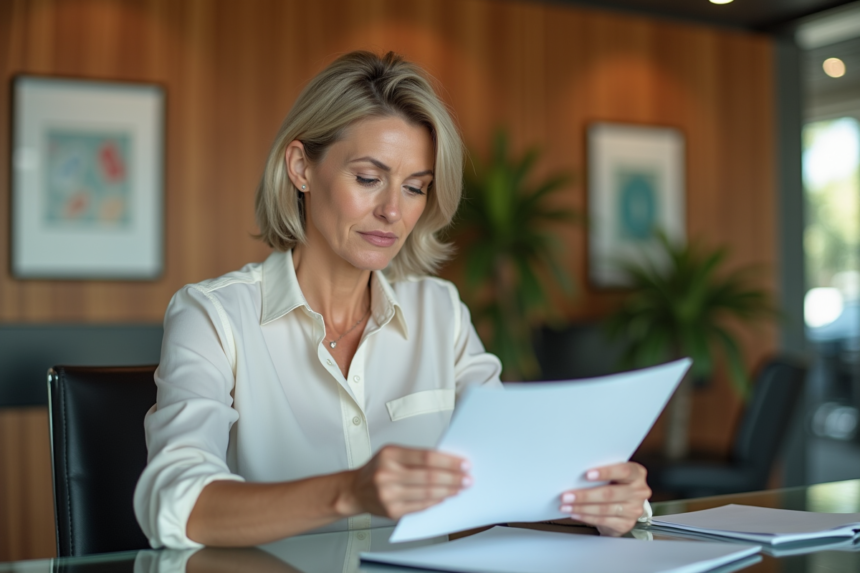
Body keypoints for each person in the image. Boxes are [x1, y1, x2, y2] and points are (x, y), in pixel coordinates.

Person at [133, 51, 652, 550]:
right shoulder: (213, 316)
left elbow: (510, 467)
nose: (392, 212)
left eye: (415, 187)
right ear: (301, 168)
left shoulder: (440, 312)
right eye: (368, 179)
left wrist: (603, 498)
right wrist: (349, 491)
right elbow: (176, 505)